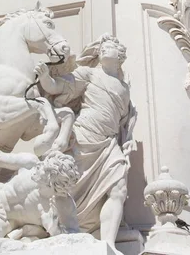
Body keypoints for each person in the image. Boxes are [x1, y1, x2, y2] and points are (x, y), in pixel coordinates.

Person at [34, 34, 137, 253]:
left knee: (118, 188)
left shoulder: (124, 89)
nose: (102, 49)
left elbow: (125, 122)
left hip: (109, 144)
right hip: (83, 137)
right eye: (101, 47)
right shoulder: (89, 74)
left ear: (120, 55)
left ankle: (108, 244)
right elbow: (59, 87)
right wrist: (44, 78)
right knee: (66, 187)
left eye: (108, 46)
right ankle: (58, 225)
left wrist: (127, 141)